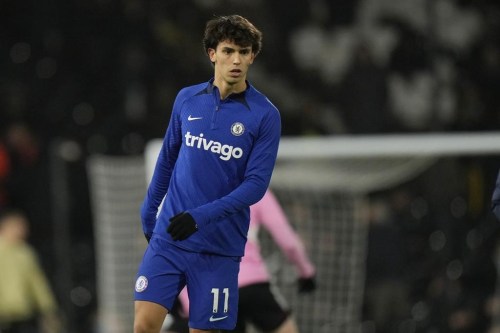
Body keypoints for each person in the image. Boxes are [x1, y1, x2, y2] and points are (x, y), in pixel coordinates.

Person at [134, 14, 281, 333]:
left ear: (253, 56)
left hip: (219, 249)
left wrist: (200, 217)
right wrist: (149, 212)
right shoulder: (187, 99)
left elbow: (255, 186)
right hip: (171, 237)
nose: (236, 60)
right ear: (212, 53)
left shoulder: (265, 115)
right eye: (229, 50)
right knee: (144, 325)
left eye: (244, 52)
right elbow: (167, 158)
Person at [166, 189, 316, 333]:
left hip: (209, 293)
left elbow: (173, 248)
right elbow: (288, 242)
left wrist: (178, 297)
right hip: (251, 285)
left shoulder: (191, 191)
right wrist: (306, 272)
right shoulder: (256, 190)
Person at [0, 208, 62, 333]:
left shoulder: (26, 253)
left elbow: (37, 283)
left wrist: (48, 309)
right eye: (18, 226)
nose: (23, 231)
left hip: (22, 315)